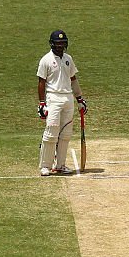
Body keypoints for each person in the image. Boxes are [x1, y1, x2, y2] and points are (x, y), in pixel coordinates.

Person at [37, 30, 87, 176]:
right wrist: (41, 103)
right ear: (52, 44)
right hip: (53, 98)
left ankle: (60, 165)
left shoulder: (68, 59)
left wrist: (79, 98)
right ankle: (45, 166)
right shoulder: (45, 60)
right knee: (51, 132)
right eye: (57, 43)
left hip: (68, 98)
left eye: (62, 43)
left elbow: (73, 79)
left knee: (65, 134)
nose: (60, 46)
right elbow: (41, 82)